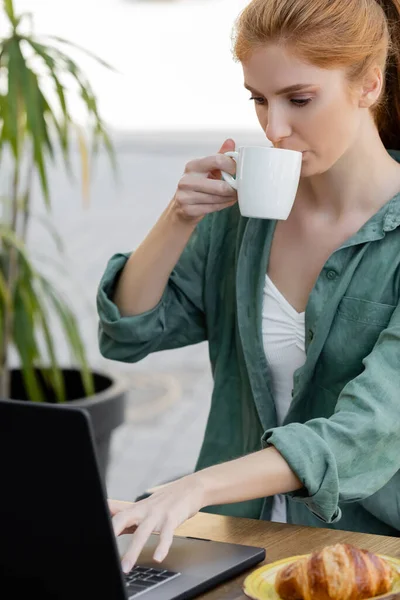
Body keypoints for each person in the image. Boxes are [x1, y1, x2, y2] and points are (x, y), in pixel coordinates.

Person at [97, 0, 400, 573]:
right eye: (259, 99)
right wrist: (178, 217)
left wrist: (191, 488)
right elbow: (129, 333)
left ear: (368, 85)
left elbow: (366, 432)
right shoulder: (244, 215)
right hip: (233, 541)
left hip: (368, 558)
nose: (273, 127)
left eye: (299, 99)